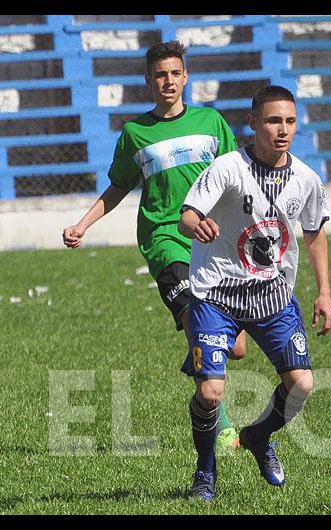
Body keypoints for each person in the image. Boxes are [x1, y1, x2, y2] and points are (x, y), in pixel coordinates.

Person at [62, 41, 247, 451]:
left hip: (213, 240)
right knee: (197, 322)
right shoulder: (135, 133)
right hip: (165, 240)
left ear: (185, 77)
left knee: (235, 347)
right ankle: (221, 423)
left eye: (175, 73)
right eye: (160, 74)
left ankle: (197, 361)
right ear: (148, 80)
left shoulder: (211, 122)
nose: (168, 81)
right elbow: (118, 188)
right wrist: (82, 224)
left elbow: (237, 181)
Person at [178, 84, 331, 501]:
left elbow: (315, 234)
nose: (282, 130)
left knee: (302, 384)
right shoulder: (229, 168)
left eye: (289, 121)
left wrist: (324, 292)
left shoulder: (306, 178)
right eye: (272, 120)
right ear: (253, 123)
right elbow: (188, 215)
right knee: (210, 392)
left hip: (272, 296)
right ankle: (205, 471)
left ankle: (258, 437)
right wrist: (197, 225)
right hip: (216, 294)